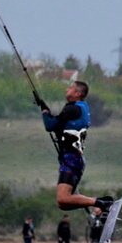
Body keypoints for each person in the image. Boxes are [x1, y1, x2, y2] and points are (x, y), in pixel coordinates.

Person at [36, 80, 113, 212]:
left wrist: (44, 111)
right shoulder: (81, 108)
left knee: (63, 199)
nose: (67, 90)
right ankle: (99, 203)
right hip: (74, 159)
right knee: (63, 204)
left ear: (77, 93)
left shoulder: (73, 108)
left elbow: (50, 125)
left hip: (71, 159)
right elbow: (60, 123)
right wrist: (46, 109)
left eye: (70, 88)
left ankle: (102, 203)